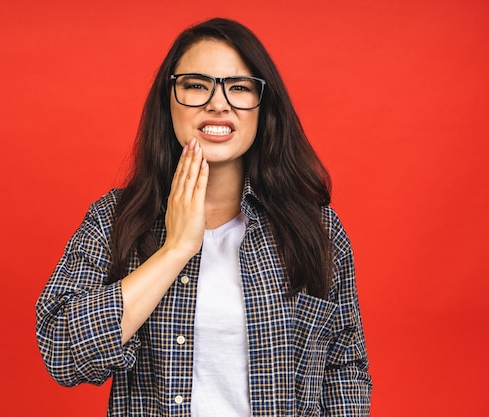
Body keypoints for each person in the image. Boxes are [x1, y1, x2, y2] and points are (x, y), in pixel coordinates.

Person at [36, 17, 372, 416]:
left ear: (264, 109)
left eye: (240, 87)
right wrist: (175, 249)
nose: (218, 103)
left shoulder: (316, 229)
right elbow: (62, 353)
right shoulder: (114, 219)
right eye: (196, 85)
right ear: (169, 100)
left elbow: (344, 367)